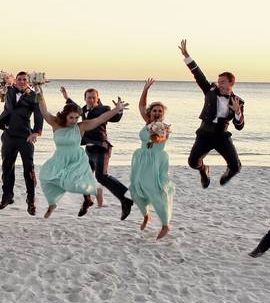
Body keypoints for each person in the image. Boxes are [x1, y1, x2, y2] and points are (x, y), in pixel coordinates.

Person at [36, 86, 127, 218]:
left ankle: (97, 190)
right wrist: (40, 93)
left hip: (76, 159)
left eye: (77, 118)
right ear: (65, 116)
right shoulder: (55, 123)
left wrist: (117, 109)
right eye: (71, 118)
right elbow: (44, 111)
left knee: (70, 184)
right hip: (59, 158)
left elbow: (100, 119)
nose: (74, 121)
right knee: (45, 176)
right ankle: (52, 203)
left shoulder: (81, 126)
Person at [178, 39, 245, 188]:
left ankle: (228, 172)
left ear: (230, 84)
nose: (218, 83)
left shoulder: (238, 101)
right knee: (192, 162)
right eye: (218, 81)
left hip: (222, 136)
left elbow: (239, 126)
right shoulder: (209, 91)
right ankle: (204, 170)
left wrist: (237, 112)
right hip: (205, 133)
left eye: (222, 82)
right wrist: (187, 57)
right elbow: (198, 74)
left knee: (236, 167)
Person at [61, 85, 135, 220]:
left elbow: (114, 118)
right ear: (85, 99)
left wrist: (118, 110)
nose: (91, 100)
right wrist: (66, 97)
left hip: (102, 148)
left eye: (93, 97)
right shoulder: (82, 110)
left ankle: (126, 198)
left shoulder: (103, 109)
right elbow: (74, 107)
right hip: (89, 149)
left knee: (101, 176)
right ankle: (87, 200)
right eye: (88, 98)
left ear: (97, 98)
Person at [0, 49, 44, 215]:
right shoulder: (8, 89)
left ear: (28, 81)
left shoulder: (34, 95)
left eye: (24, 79)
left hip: (25, 137)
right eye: (19, 79)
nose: (21, 81)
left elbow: (39, 115)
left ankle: (31, 200)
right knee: (7, 167)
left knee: (29, 170)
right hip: (8, 135)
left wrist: (37, 132)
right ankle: (7, 196)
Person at [129, 79, 175, 240]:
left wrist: (156, 136)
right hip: (141, 160)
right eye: (154, 110)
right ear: (150, 113)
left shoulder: (164, 127)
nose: (157, 113)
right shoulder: (147, 122)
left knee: (155, 191)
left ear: (163, 114)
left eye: (160, 111)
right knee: (135, 189)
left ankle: (165, 224)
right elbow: (141, 105)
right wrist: (145, 89)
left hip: (156, 161)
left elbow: (161, 140)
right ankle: (146, 215)